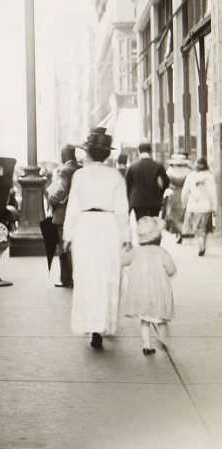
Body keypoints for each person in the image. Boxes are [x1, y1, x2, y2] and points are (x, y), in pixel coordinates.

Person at [64, 127, 130, 350]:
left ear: (89, 152)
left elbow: (72, 207)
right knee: (107, 275)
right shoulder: (116, 176)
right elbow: (122, 210)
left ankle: (90, 325)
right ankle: (104, 324)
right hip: (109, 226)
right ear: (107, 154)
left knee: (86, 275)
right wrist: (125, 236)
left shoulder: (79, 175)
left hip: (85, 226)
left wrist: (67, 235)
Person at [121, 216, 176, 355]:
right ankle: (163, 340)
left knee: (145, 320)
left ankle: (146, 345)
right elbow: (171, 269)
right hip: (158, 292)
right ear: (158, 238)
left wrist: (125, 248)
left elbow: (123, 261)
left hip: (141, 293)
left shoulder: (136, 252)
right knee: (161, 319)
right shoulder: (162, 252)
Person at [46, 143, 80, 288]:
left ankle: (66, 279)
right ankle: (78, 276)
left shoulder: (65, 171)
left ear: (65, 155)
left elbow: (60, 191)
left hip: (63, 214)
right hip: (79, 213)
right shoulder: (80, 169)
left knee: (63, 247)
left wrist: (50, 199)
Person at [182, 157, 217, 257]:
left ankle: (200, 244)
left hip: (193, 207)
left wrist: (184, 203)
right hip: (205, 207)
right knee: (203, 228)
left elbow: (185, 192)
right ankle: (202, 244)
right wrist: (214, 208)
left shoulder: (190, 176)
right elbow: (212, 194)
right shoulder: (210, 177)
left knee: (197, 228)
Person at [125, 141, 169, 220]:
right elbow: (166, 183)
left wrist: (129, 201)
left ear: (139, 151)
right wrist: (160, 192)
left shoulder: (132, 167)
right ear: (150, 151)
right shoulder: (158, 166)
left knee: (142, 226)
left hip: (138, 202)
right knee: (153, 226)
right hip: (155, 202)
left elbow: (128, 185)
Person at [164, 153, 191, 243]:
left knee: (173, 215)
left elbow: (168, 182)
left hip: (174, 193)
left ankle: (179, 232)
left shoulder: (170, 170)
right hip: (186, 193)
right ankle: (183, 231)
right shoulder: (188, 170)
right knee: (183, 214)